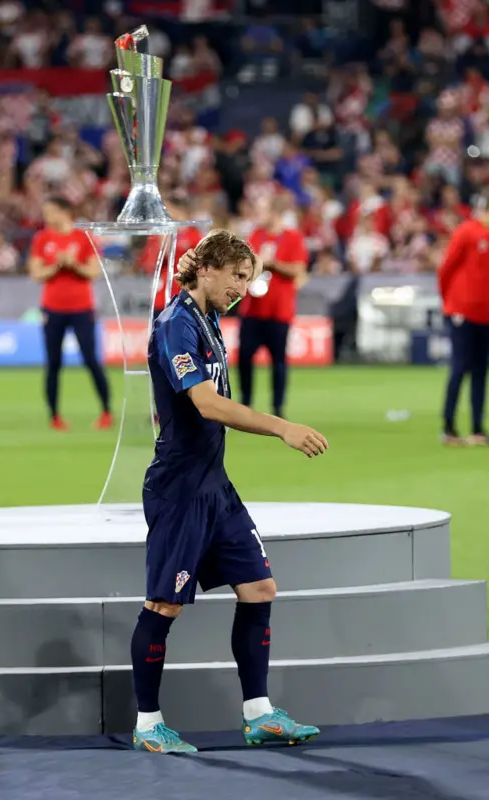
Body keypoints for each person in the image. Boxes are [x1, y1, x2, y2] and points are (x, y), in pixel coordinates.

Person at [131, 229, 328, 754]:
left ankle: (259, 715)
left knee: (260, 588)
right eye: (239, 276)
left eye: (250, 278)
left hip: (214, 484)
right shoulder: (175, 324)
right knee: (163, 605)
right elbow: (208, 404)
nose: (245, 287)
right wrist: (282, 427)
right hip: (179, 488)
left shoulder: (208, 319)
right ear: (210, 269)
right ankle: (148, 725)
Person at [28, 196, 112, 431]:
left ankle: (106, 411)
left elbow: (94, 271)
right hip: (52, 308)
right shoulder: (42, 238)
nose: (46, 217)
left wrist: (73, 264)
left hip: (81, 308)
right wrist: (56, 265)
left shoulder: (83, 237)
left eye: (50, 211)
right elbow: (36, 273)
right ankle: (54, 415)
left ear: (64, 211)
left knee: (91, 360)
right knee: (53, 363)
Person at [438, 187, 489, 446]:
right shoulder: (467, 232)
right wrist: (450, 303)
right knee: (460, 367)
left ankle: (478, 429)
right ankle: (448, 428)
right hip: (462, 311)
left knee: (481, 370)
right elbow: (446, 269)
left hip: (486, 313)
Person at [239, 196, 308, 419]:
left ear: (275, 212)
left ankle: (278, 407)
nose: (259, 215)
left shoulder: (292, 237)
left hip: (279, 310)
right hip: (253, 309)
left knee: (278, 361)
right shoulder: (255, 235)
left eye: (263, 209)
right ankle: (245, 404)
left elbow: (297, 269)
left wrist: (272, 264)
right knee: (244, 358)